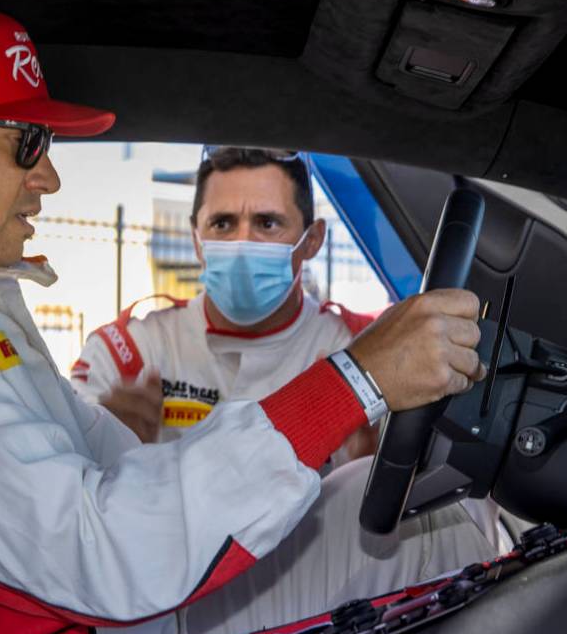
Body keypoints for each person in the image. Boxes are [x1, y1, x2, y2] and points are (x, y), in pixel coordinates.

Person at [0, 2, 495, 634]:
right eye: (27, 142)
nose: (47, 175)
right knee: (458, 574)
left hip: (114, 622)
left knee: (411, 516)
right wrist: (352, 382)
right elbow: (101, 547)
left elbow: (119, 469)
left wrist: (329, 410)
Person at [71, 147, 377, 468]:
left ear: (312, 239)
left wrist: (368, 468)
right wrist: (104, 443)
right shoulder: (128, 355)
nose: (242, 243)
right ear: (196, 240)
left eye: (268, 223)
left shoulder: (357, 352)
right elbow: (61, 480)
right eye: (222, 224)